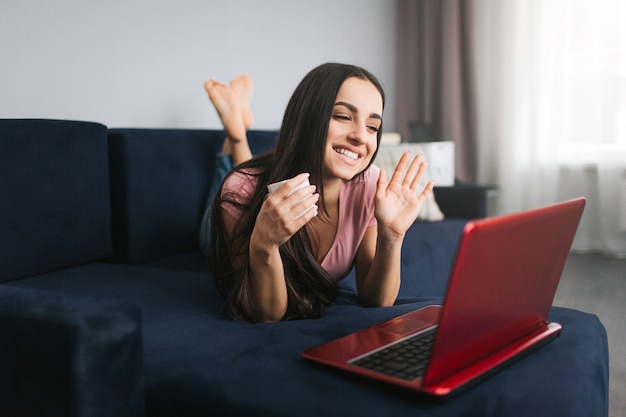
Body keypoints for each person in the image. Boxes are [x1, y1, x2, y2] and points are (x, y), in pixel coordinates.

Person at [205, 63, 434, 323]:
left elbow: (377, 299)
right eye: (343, 117)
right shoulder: (240, 189)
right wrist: (263, 245)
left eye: (372, 127)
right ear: (307, 118)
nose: (361, 136)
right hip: (236, 202)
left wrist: (391, 236)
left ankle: (237, 133)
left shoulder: (368, 186)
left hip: (265, 175)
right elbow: (266, 314)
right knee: (232, 184)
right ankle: (236, 137)